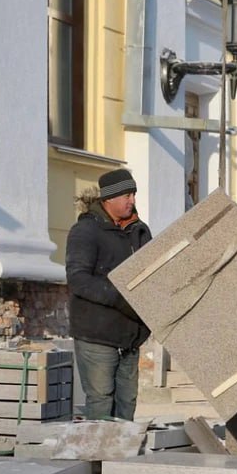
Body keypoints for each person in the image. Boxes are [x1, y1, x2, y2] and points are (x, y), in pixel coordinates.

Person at [65, 168, 152, 421]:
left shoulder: (139, 231)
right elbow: (78, 280)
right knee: (101, 402)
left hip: (130, 336)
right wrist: (119, 298)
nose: (132, 201)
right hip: (97, 335)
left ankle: (120, 459)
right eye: (127, 195)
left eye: (133, 194)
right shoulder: (85, 231)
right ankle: (99, 459)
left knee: (127, 404)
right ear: (108, 199)